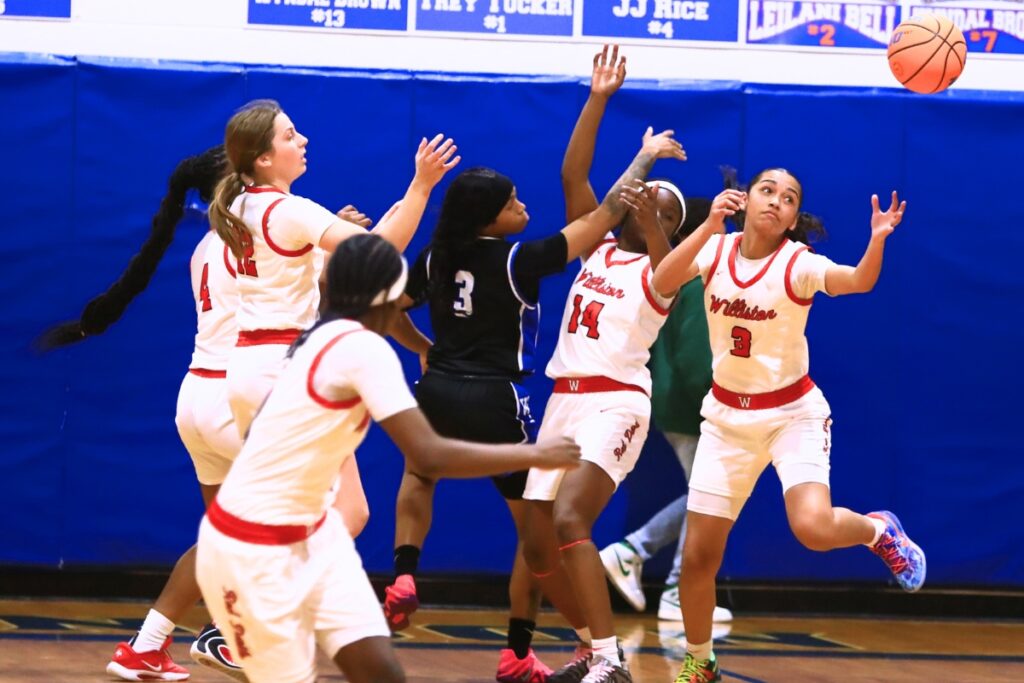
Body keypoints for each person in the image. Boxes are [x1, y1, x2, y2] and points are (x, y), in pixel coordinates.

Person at [194, 233, 582, 683]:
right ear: (385, 300)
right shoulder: (361, 348)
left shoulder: (319, 335)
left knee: (381, 671)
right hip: (253, 545)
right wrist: (535, 452)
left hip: (313, 532)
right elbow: (428, 454)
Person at [649, 169, 926, 682]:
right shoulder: (715, 247)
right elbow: (662, 280)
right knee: (697, 559)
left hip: (791, 415)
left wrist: (877, 241)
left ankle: (878, 530)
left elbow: (858, 281)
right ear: (746, 199)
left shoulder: (796, 264)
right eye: (767, 191)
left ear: (794, 218)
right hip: (726, 419)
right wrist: (707, 226)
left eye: (789, 198)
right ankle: (699, 661)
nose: (776, 201)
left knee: (813, 529)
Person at [37, 147, 247, 681]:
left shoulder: (202, 247)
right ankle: (233, 633)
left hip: (197, 395)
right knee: (322, 516)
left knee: (223, 534)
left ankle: (148, 644)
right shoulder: (262, 237)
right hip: (237, 399)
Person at [207, 98, 458, 438]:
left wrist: (380, 226)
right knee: (325, 489)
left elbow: (313, 267)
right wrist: (422, 185)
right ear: (264, 158)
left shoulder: (241, 203)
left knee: (282, 491)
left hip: (246, 368)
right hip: (286, 365)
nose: (303, 141)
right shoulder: (289, 210)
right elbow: (380, 253)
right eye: (290, 136)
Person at [598, 196, 733, 625]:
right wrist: (715, 405)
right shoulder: (697, 278)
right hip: (690, 404)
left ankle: (637, 557)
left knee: (708, 495)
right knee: (710, 498)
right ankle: (670, 585)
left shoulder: (675, 270)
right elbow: (696, 359)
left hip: (674, 400)